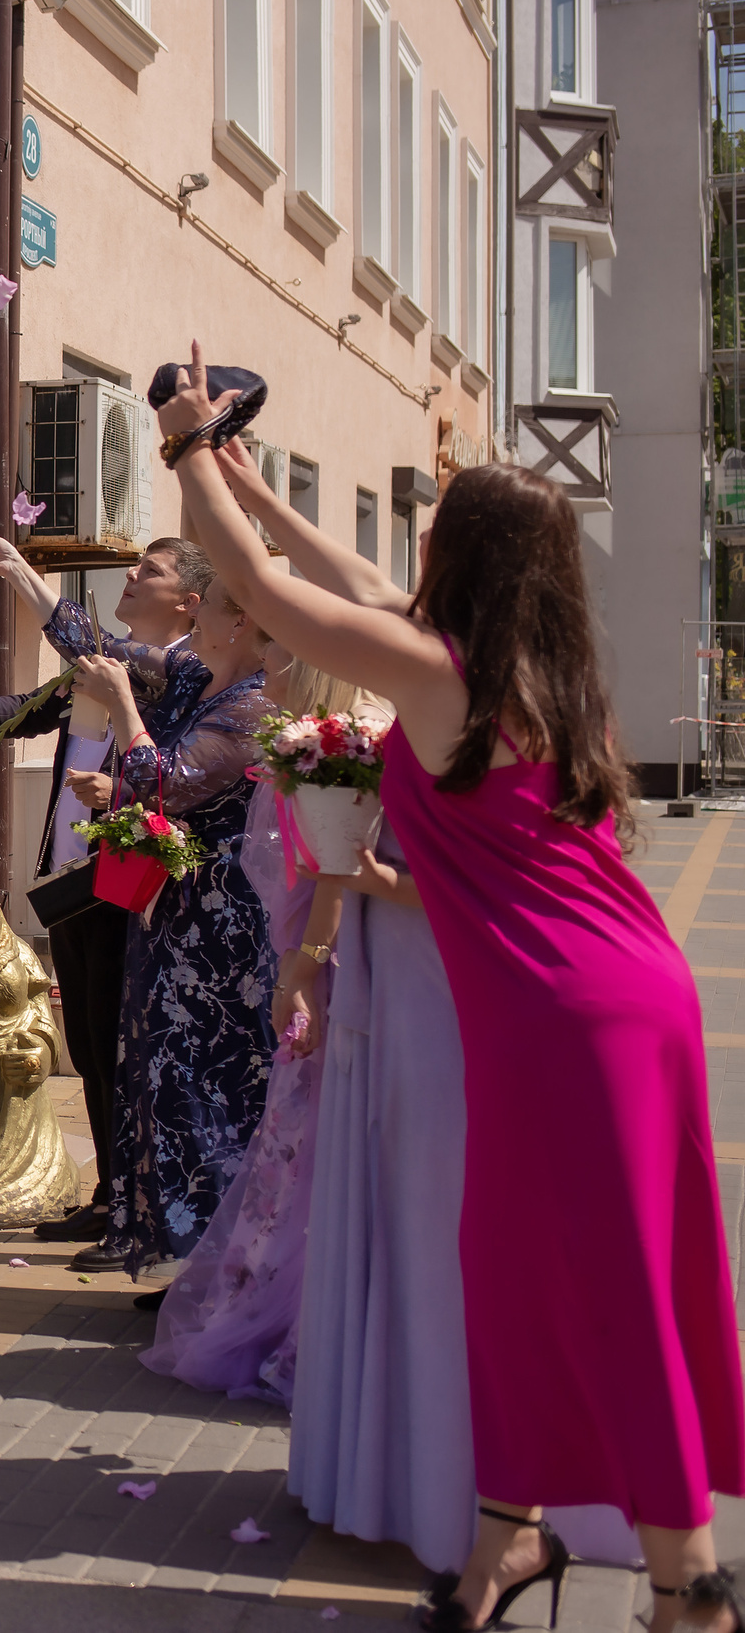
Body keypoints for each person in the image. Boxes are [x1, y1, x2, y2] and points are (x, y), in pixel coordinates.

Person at [168, 347, 745, 1633]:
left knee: (605, 1291)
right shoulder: (524, 672)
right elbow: (342, 578)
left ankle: (688, 1583)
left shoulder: (439, 677)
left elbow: (266, 594)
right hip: (621, 997)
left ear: (466, 556)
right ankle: (506, 1545)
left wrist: (180, 442)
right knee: (516, 1275)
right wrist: (254, 488)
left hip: (566, 1020)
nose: (416, 552)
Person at [0, 534, 211, 1258]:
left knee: (119, 1047)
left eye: (149, 571)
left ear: (188, 601)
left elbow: (88, 652)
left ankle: (130, 1201)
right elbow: (42, 703)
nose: (131, 576)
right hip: (72, 880)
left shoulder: (181, 670)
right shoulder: (110, 659)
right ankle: (109, 1197)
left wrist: (19, 574)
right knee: (92, 1047)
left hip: (128, 885)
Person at [135, 653, 358, 1398]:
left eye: (294, 654)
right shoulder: (299, 742)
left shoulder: (332, 745)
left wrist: (302, 971)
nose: (275, 664)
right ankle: (267, 1294)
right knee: (289, 1142)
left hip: (312, 969)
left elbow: (335, 871)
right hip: (294, 956)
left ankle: (288, 1308)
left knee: (299, 1140)